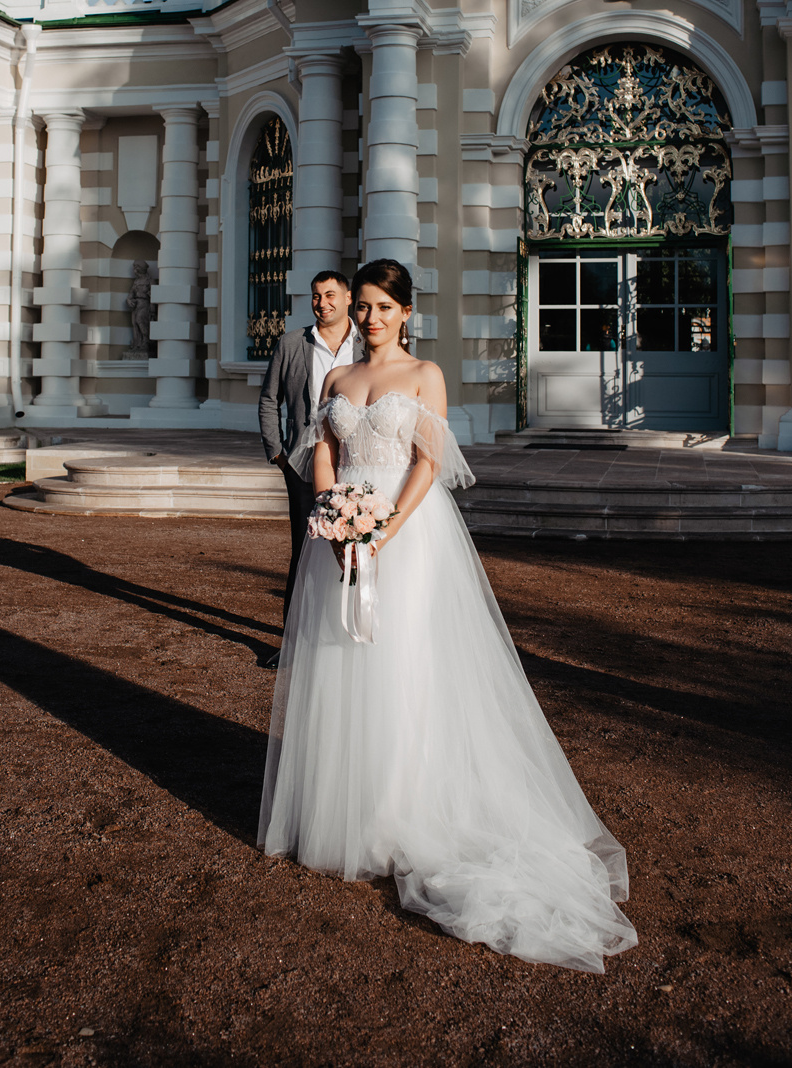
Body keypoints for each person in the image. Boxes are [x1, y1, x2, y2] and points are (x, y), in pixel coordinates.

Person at [258, 258, 638, 974]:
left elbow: (429, 463)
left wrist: (380, 532)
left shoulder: (424, 374)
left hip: (407, 533)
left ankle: (405, 806)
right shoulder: (336, 380)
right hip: (338, 537)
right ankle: (348, 812)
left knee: (403, 663)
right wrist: (333, 517)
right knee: (340, 659)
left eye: (381, 308)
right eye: (362, 307)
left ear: (405, 313)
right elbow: (325, 451)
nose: (369, 318)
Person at [258, 270, 362, 646]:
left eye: (331, 295)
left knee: (358, 551)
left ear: (348, 298)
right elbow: (270, 398)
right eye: (317, 296)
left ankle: (353, 636)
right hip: (302, 466)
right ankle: (292, 645)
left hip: (356, 463)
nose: (323, 303)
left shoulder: (368, 344)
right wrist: (277, 453)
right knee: (304, 553)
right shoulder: (292, 343)